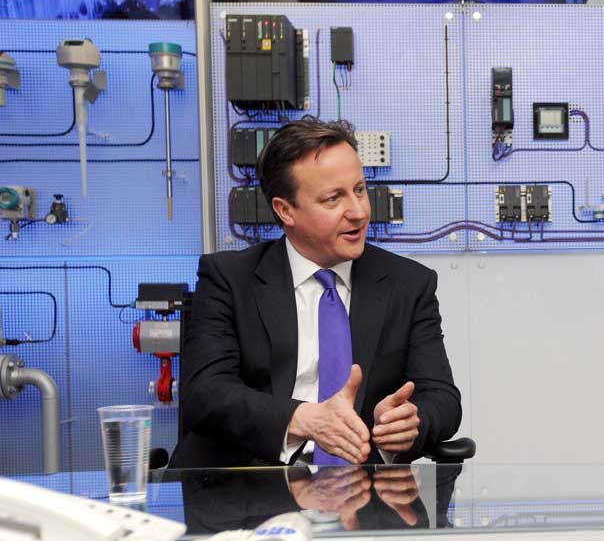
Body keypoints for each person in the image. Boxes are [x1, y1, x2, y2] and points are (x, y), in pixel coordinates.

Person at [170, 117, 461, 468]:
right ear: (285, 210)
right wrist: (304, 419)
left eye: (359, 189)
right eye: (333, 198)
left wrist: (411, 422)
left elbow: (443, 399)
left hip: (363, 492)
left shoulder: (409, 284)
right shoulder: (229, 279)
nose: (358, 212)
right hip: (250, 487)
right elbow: (205, 394)